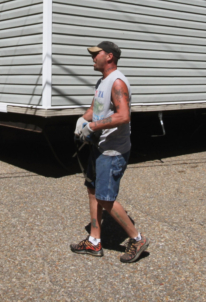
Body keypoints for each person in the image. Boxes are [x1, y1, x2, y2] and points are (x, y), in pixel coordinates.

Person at [69, 41, 149, 263]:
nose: (93, 57)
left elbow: (123, 116)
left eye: (97, 54)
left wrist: (93, 126)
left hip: (113, 151)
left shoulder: (117, 82)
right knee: (93, 190)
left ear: (110, 56)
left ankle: (137, 238)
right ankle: (94, 241)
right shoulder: (102, 81)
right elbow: (95, 108)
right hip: (99, 147)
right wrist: (83, 119)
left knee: (105, 198)